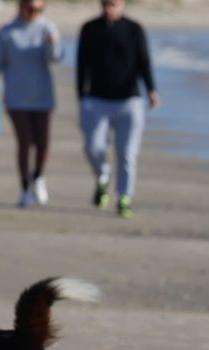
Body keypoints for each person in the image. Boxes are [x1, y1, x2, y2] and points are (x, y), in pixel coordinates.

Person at [76, 0, 158, 219]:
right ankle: (102, 176)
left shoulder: (134, 29)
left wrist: (151, 89)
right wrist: (81, 97)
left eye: (112, 4)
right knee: (92, 147)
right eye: (105, 4)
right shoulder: (90, 28)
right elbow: (82, 63)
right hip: (96, 99)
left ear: (122, 4)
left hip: (129, 100)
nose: (108, 9)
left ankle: (124, 196)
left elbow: (144, 61)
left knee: (127, 153)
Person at [0, 0, 62, 208]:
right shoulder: (7, 33)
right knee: (25, 142)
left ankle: (39, 176)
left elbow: (56, 58)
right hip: (16, 98)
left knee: (42, 143)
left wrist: (52, 45)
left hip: (43, 96)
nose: (34, 13)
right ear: (21, 7)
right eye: (31, 8)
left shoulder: (48, 28)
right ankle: (25, 189)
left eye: (39, 10)